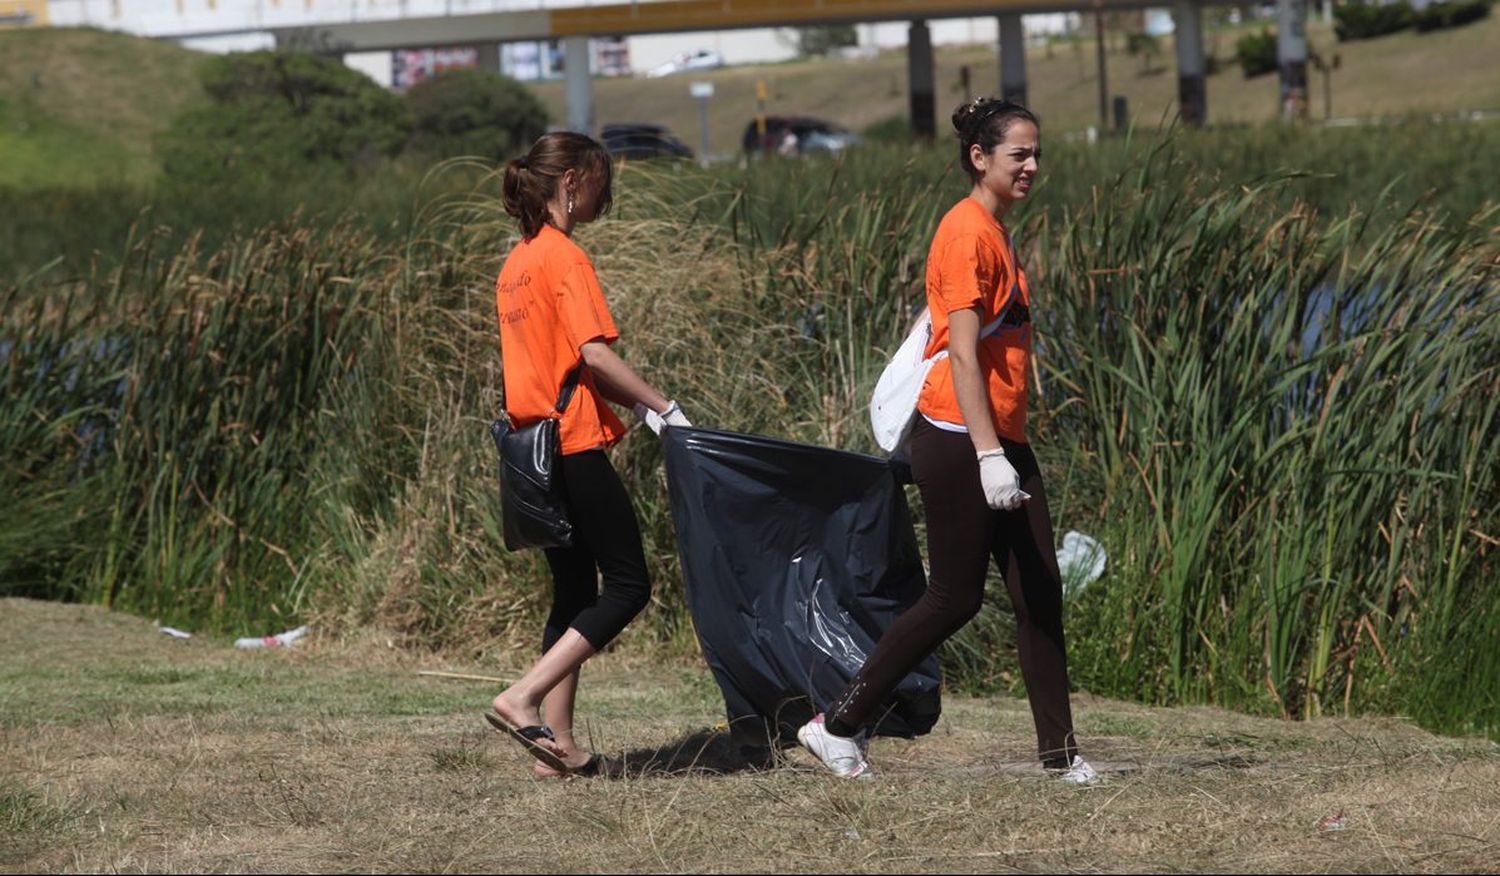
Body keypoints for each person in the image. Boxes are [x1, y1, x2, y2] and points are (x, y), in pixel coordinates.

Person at [796, 98, 1097, 784]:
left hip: (998, 436)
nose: (1032, 166)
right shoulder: (965, 233)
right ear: (980, 158)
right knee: (953, 598)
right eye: (1019, 154)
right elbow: (962, 357)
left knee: (1039, 593)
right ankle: (836, 724)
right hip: (961, 437)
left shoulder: (994, 229)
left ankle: (1061, 755)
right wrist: (990, 457)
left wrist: (1004, 446)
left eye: (1036, 153)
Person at [486, 131, 690, 778]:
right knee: (629, 584)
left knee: (574, 590)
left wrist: (631, 407)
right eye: (602, 180)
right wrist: (664, 407)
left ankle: (555, 749)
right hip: (570, 443)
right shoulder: (565, 258)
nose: (608, 194)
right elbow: (594, 354)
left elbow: (559, 362)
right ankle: (522, 697)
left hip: (530, 451)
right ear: (571, 181)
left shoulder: (516, 262)